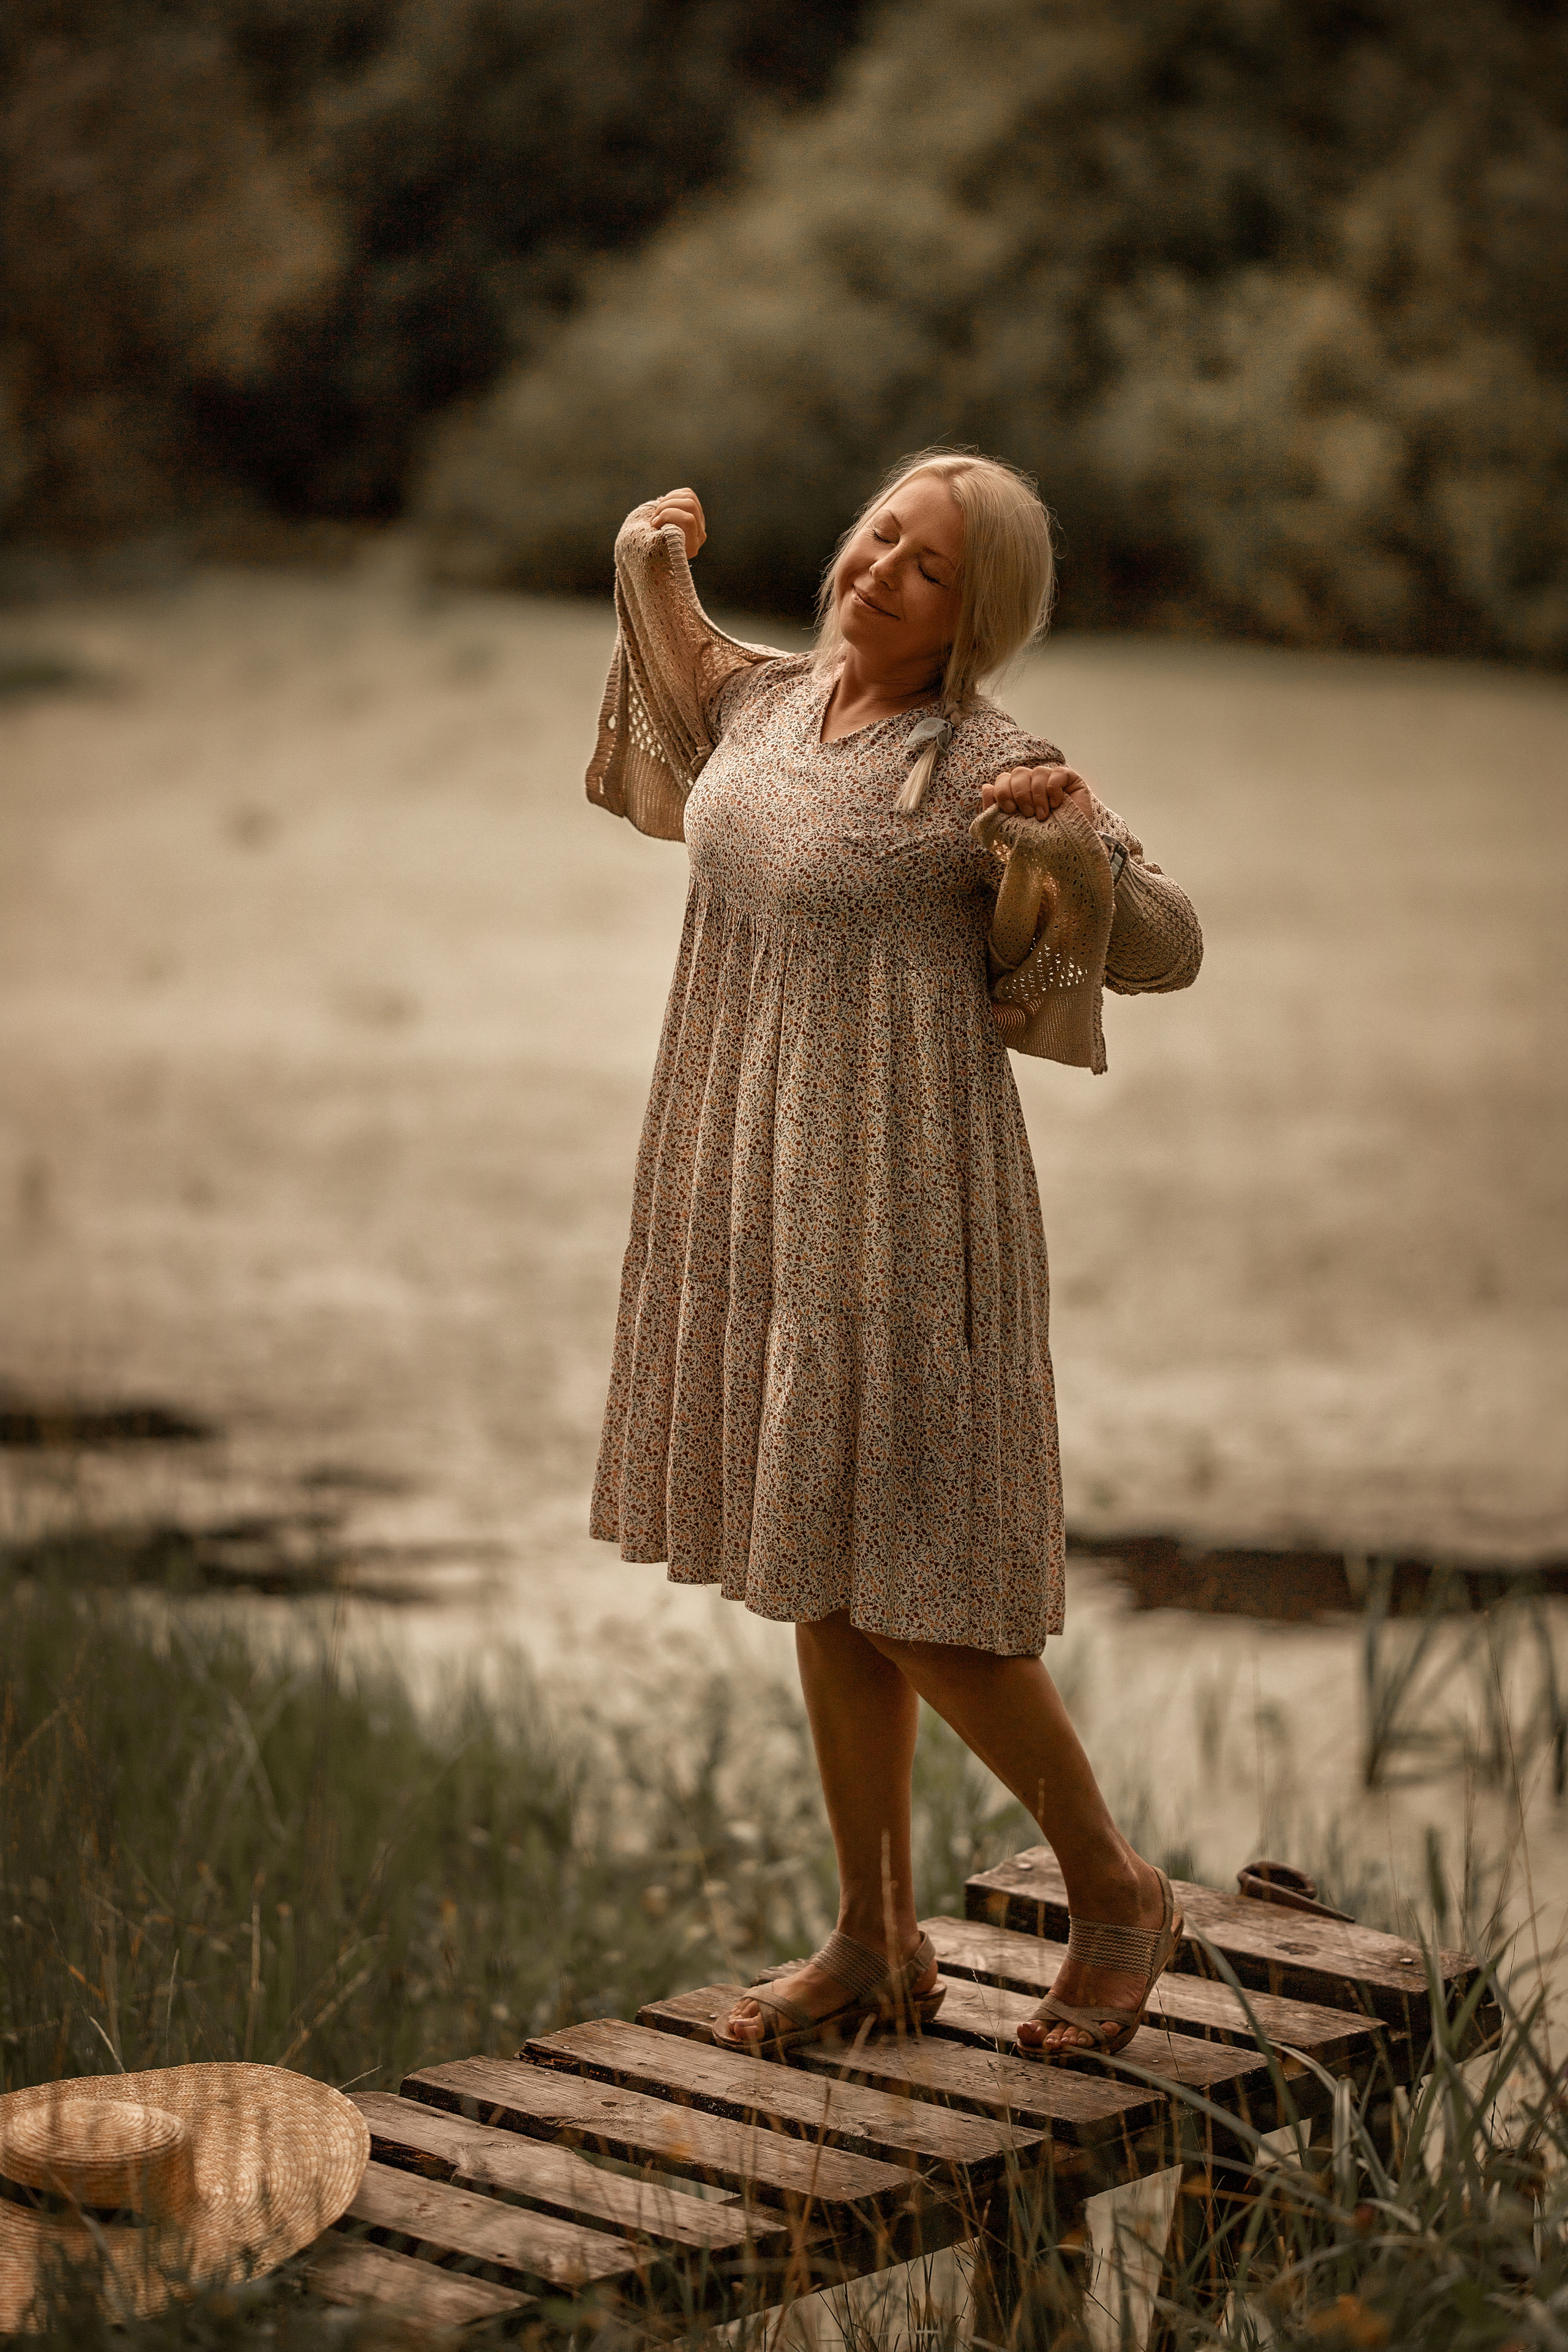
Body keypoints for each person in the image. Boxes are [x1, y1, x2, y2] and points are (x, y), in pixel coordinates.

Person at [585, 450, 1202, 2057]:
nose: (878, 572)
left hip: (908, 1205)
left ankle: (1113, 1885)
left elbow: (1167, 951)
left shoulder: (992, 762)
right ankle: (874, 1942)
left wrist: (1087, 851)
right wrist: (652, 556)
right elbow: (683, 658)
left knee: (921, 1586)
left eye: (925, 566)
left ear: (974, 610)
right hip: (760, 1181)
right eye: (877, 535)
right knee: (822, 1573)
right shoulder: (773, 706)